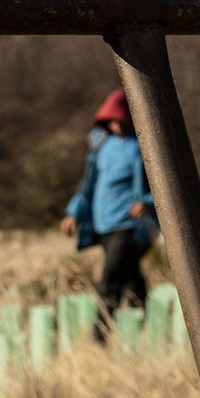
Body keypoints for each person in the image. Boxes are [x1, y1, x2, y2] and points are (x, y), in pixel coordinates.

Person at [61, 87, 156, 337]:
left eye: (120, 120)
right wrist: (73, 213)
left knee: (110, 276)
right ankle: (145, 325)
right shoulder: (101, 147)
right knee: (129, 276)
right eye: (111, 121)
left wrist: (145, 201)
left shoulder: (141, 146)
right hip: (103, 224)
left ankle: (100, 333)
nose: (116, 126)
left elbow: (158, 185)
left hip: (128, 225)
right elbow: (88, 186)